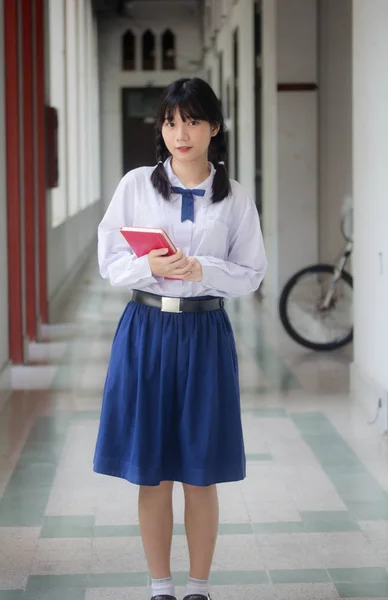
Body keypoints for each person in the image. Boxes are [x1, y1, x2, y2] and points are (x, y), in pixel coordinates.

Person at [93, 77, 267, 600]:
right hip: (146, 331)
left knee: (200, 469)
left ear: (214, 126)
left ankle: (198, 587)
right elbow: (110, 263)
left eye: (192, 120)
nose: (180, 133)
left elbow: (252, 273)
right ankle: (160, 586)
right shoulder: (136, 186)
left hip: (205, 333)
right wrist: (150, 263)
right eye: (171, 122)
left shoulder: (234, 198)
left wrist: (201, 269)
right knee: (152, 472)